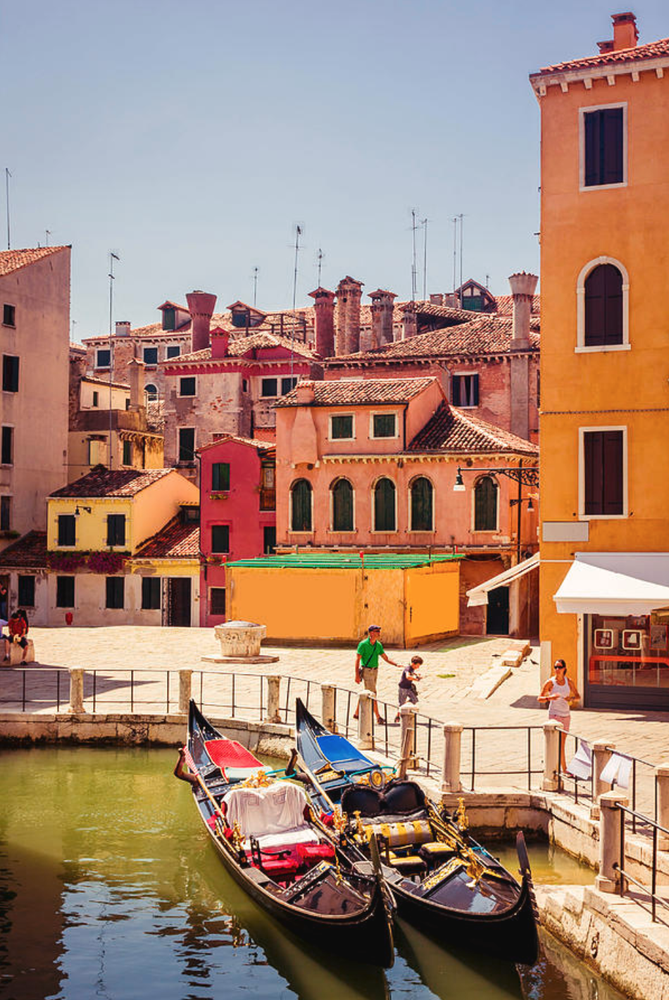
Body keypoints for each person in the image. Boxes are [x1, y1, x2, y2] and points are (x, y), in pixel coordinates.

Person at [353, 624, 401, 723]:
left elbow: (385, 657)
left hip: (375, 671)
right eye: (376, 631)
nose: (378, 633)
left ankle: (356, 713)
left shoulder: (378, 645)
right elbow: (357, 660)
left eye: (379, 631)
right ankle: (378, 717)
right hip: (367, 671)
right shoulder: (363, 644)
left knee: (367, 691)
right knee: (373, 693)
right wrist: (357, 675)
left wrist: (396, 664)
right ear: (371, 633)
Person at [539, 659, 580, 770]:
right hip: (554, 715)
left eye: (560, 667)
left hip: (566, 715)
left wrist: (570, 698)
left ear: (564, 669)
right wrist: (549, 698)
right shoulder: (550, 682)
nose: (557, 669)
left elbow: (578, 696)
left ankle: (551, 764)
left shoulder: (569, 681)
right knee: (557, 742)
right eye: (555, 667)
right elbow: (540, 698)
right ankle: (564, 769)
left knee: (562, 743)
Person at [394, 655, 423, 721]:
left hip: (409, 688)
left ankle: (405, 705)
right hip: (403, 688)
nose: (418, 667)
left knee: (414, 700)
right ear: (413, 664)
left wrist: (417, 675)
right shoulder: (408, 669)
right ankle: (398, 716)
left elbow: (412, 672)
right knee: (401, 704)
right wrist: (416, 679)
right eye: (418, 665)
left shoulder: (412, 668)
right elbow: (408, 676)